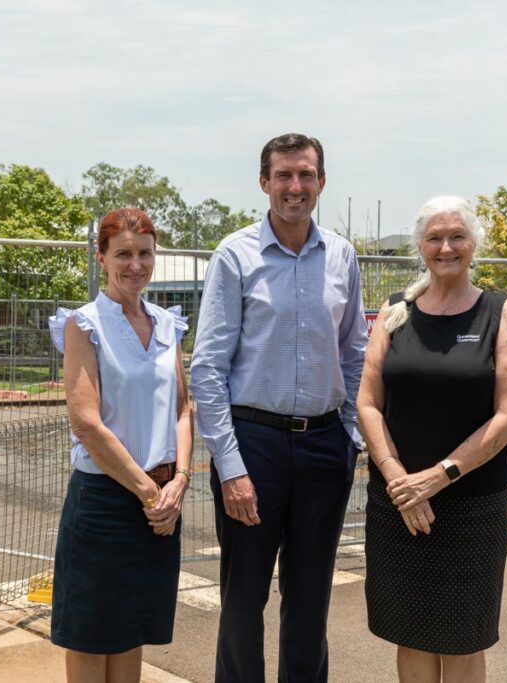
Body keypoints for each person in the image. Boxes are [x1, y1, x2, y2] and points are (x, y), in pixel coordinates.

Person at [191, 133, 368, 682]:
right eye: (284, 175)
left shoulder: (340, 255)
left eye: (306, 174)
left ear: (321, 182)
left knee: (311, 602)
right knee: (243, 601)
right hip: (254, 447)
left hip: (324, 446)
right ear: (264, 182)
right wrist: (231, 467)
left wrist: (350, 438)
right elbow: (208, 368)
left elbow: (355, 354)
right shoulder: (235, 255)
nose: (296, 186)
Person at [357, 195, 507, 683]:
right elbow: (367, 402)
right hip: (398, 503)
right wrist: (398, 479)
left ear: (474, 244)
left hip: (471, 505)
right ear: (420, 246)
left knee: (462, 639)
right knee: (410, 632)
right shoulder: (395, 311)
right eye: (435, 238)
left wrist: (438, 477)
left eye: (457, 236)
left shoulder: (501, 313)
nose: (446, 247)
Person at [48, 207, 193, 683]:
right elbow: (87, 424)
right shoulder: (84, 325)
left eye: (145, 253)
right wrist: (149, 493)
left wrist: (180, 482)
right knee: (91, 639)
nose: (136, 265)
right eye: (123, 254)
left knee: (132, 634)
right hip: (107, 505)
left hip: (159, 507)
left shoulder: (168, 325)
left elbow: (182, 409)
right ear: (101, 258)